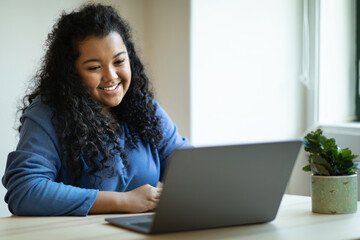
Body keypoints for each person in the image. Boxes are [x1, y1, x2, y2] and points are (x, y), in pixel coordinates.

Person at [2, 4, 190, 216]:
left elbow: (187, 166)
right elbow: (26, 190)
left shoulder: (143, 107)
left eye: (119, 61)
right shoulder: (46, 113)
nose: (111, 76)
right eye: (94, 67)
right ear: (71, 74)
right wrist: (124, 201)